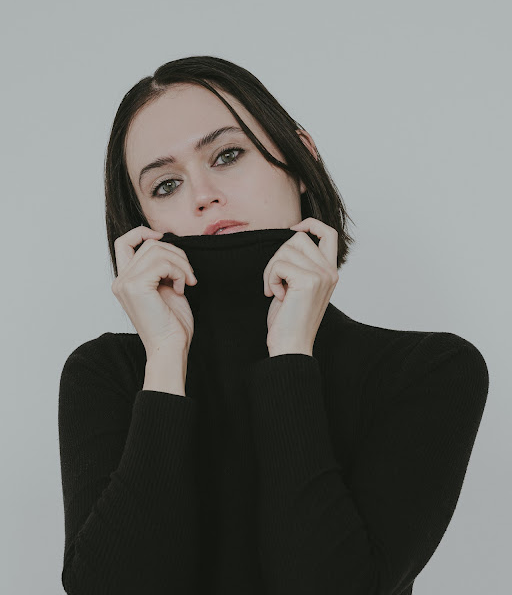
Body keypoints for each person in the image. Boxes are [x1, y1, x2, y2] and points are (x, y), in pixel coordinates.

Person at [58, 56, 489, 595]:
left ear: (300, 157)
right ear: (143, 223)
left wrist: (289, 356)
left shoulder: (429, 371)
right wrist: (165, 358)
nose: (202, 195)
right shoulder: (108, 373)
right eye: (166, 185)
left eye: (227, 155)